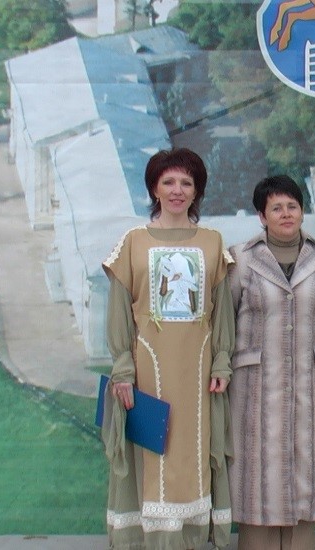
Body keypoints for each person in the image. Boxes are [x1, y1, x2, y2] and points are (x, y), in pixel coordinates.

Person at [102, 148, 234, 550]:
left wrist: (222, 361)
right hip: (146, 373)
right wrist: (123, 368)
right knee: (152, 453)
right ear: (154, 189)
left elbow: (221, 311)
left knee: (194, 453)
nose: (178, 190)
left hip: (198, 376)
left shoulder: (212, 242)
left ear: (197, 191)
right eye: (169, 182)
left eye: (186, 183)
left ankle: (190, 537)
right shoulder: (133, 242)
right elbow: (119, 312)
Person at [228, 175, 315, 550]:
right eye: (276, 208)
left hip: (310, 380)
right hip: (256, 384)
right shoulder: (241, 258)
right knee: (258, 470)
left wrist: (311, 349)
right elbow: (225, 317)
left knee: (305, 466)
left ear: (302, 211)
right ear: (262, 216)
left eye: (292, 206)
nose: (285, 213)